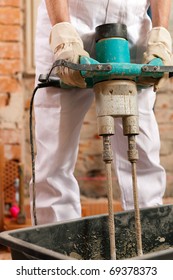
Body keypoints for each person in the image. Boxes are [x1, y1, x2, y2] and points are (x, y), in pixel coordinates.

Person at [31, 0, 173, 225]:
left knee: (142, 151)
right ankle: (59, 249)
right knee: (54, 157)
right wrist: (62, 29)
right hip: (71, 24)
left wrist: (161, 32)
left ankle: (148, 239)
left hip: (133, 31)